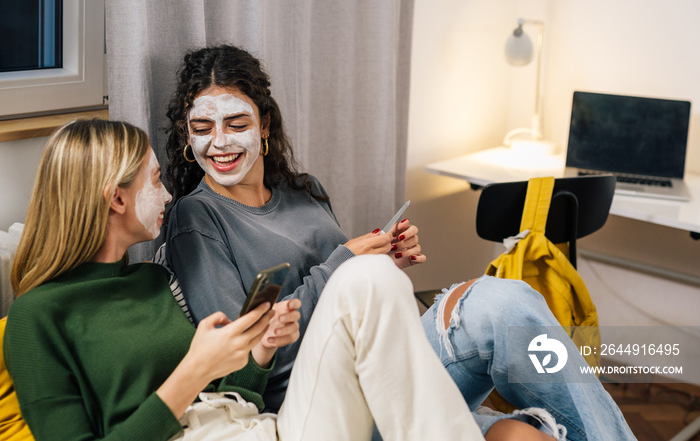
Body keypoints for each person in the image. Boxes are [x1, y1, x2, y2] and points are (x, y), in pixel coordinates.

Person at [162, 45, 636, 440]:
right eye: (202, 129)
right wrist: (345, 263)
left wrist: (381, 262)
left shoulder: (304, 190)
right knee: (498, 306)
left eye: (236, 124)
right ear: (187, 136)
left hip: (380, 355)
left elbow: (345, 296)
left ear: (264, 125)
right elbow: (237, 359)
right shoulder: (196, 218)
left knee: (509, 333)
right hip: (317, 395)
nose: (218, 143)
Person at [6, 118, 556, 441]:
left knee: (369, 276)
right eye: (156, 180)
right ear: (115, 197)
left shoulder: (150, 282)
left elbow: (231, 396)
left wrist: (260, 352)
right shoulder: (39, 316)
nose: (169, 194)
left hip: (265, 426)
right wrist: (192, 369)